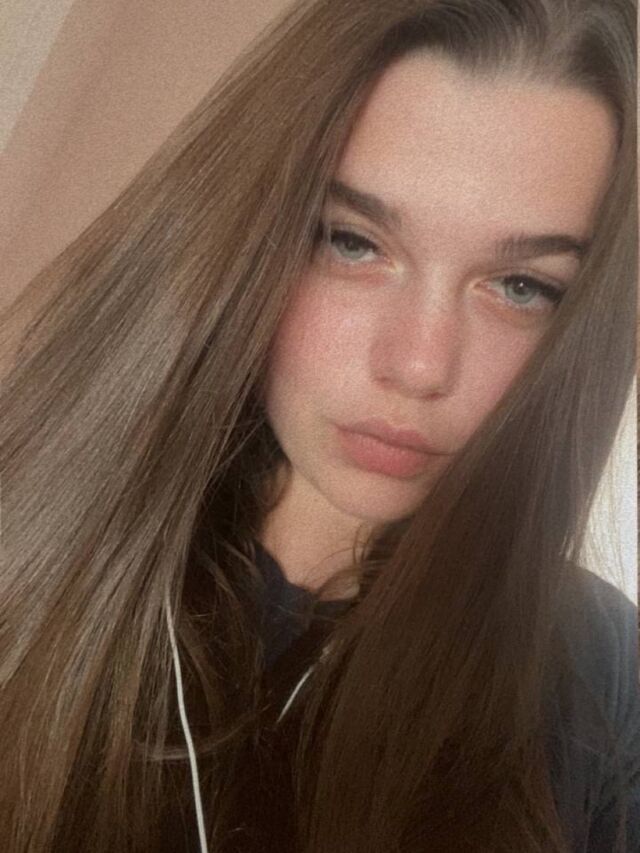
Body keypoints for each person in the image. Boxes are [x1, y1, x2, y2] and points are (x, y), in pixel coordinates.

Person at [0, 0, 637, 851]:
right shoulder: (30, 522)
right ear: (245, 231)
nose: (419, 366)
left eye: (522, 287)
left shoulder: (601, 673)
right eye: (352, 242)